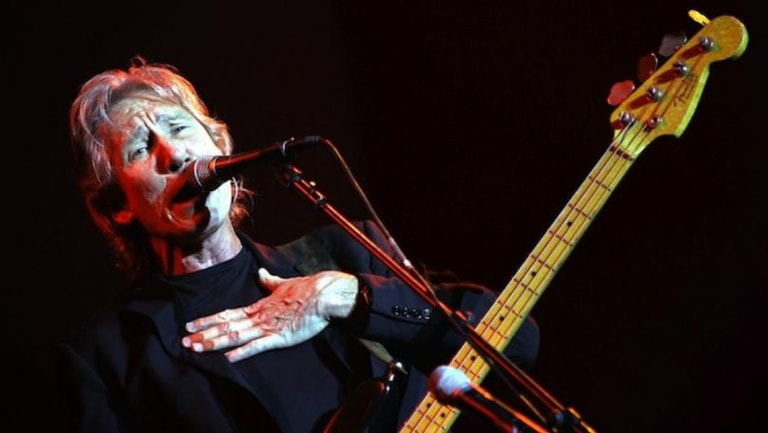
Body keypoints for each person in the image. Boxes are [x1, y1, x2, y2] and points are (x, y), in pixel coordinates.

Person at [56, 56, 540, 433]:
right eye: (141, 149)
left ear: (221, 146)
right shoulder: (108, 356)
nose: (175, 154)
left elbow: (517, 341)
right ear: (117, 206)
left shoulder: (344, 254)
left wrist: (348, 296)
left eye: (180, 128)